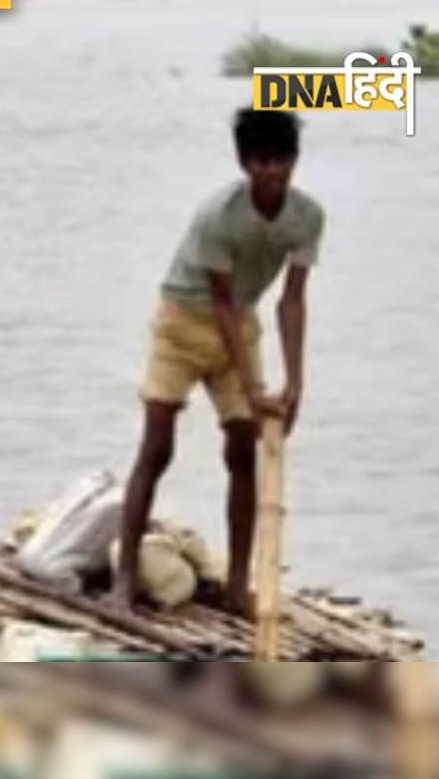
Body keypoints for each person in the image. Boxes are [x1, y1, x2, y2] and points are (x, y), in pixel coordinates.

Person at [109, 109, 327, 617]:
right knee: (157, 447)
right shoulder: (218, 216)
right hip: (183, 321)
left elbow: (291, 300)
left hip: (240, 323)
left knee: (242, 451)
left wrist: (295, 383)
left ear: (295, 162)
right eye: (262, 162)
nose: (273, 172)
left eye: (282, 161)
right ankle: (121, 585)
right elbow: (220, 301)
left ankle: (236, 587)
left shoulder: (307, 217)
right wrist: (254, 385)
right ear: (245, 163)